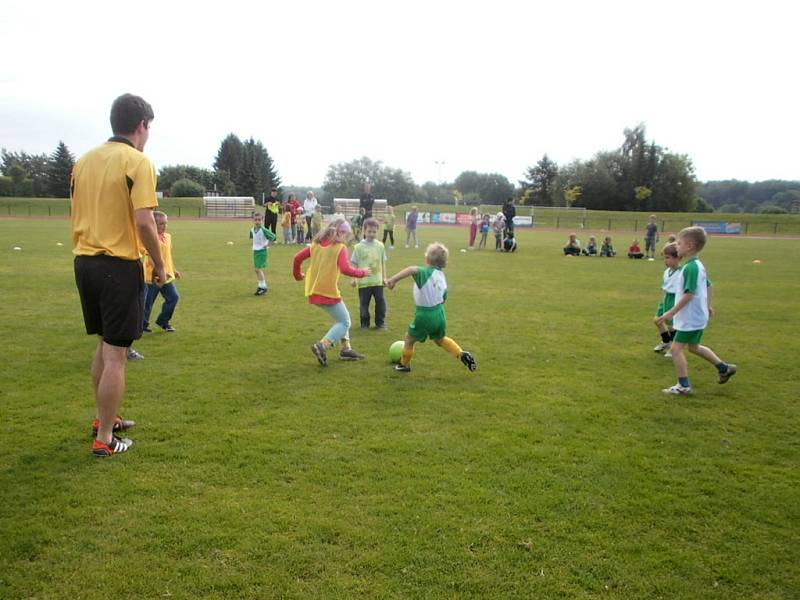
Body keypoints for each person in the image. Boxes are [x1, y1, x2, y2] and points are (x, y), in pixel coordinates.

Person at [71, 93, 165, 457]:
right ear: (142, 125)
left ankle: (103, 418)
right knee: (116, 355)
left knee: (104, 344)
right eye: (149, 127)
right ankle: (106, 438)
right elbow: (144, 222)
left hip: (85, 262)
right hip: (118, 264)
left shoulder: (83, 162)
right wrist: (159, 263)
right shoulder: (138, 162)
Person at [655, 226, 737, 395]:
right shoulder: (697, 265)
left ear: (690, 246)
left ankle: (683, 386)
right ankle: (724, 368)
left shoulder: (690, 268)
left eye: (679, 243)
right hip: (696, 317)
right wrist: (707, 306)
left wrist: (669, 313)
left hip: (690, 318)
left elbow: (689, 295)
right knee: (693, 347)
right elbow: (707, 286)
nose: (676, 246)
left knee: (676, 349)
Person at [385, 242, 477, 374]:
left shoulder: (425, 273)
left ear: (427, 259)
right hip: (439, 313)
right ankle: (461, 354)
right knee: (440, 339)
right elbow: (444, 298)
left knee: (409, 339)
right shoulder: (441, 276)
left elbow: (412, 269)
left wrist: (393, 280)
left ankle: (404, 365)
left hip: (425, 314)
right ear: (443, 263)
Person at [292, 218, 371, 365]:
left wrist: (298, 275)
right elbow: (346, 269)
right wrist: (362, 272)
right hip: (327, 291)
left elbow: (297, 258)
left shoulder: (316, 244)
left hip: (313, 290)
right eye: (346, 235)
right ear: (340, 233)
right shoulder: (339, 247)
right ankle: (323, 345)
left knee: (342, 316)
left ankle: (346, 349)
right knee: (345, 321)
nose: (346, 238)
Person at [143, 211, 181, 331]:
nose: (165, 226)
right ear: (153, 224)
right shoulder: (149, 239)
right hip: (152, 277)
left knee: (173, 298)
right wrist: (160, 272)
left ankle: (163, 321)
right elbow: (150, 259)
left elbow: (167, 256)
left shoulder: (168, 237)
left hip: (168, 276)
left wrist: (173, 270)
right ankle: (142, 325)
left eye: (166, 223)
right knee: (147, 304)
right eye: (161, 224)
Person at [350, 218, 388, 330]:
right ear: (364, 231)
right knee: (364, 304)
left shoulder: (380, 246)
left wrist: (385, 278)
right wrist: (353, 278)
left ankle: (380, 324)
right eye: (369, 231)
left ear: (377, 232)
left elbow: (383, 263)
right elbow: (354, 264)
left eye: (374, 232)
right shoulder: (358, 247)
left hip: (378, 281)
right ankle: (365, 324)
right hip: (364, 282)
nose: (372, 234)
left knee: (381, 303)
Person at [653, 242, 681, 356]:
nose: (666, 260)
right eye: (665, 257)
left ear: (678, 258)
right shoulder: (666, 272)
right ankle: (666, 342)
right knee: (657, 320)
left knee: (671, 325)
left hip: (675, 299)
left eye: (668, 258)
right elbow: (665, 287)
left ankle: (674, 347)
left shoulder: (682, 272)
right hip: (666, 298)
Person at [250, 212, 277, 295]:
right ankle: (261, 285)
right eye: (255, 220)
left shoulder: (264, 230)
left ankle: (263, 287)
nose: (257, 221)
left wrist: (267, 244)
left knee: (258, 269)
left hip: (262, 251)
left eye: (259, 220)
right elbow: (253, 237)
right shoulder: (252, 230)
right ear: (253, 220)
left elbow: (273, 236)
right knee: (257, 270)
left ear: (262, 220)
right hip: (256, 251)